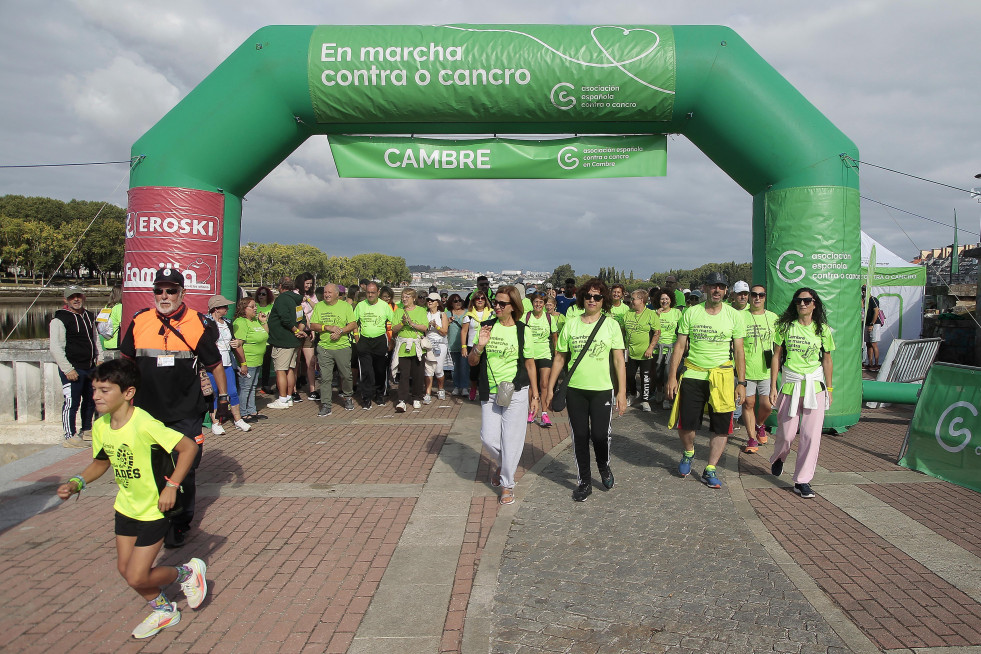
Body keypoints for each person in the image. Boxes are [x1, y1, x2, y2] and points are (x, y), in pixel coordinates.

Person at [55, 358, 208, 639]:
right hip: (126, 507)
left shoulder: (144, 423)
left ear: (128, 393)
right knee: (125, 570)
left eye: (104, 390)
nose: (96, 396)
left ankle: (187, 573)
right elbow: (101, 462)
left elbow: (187, 449)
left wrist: (172, 486)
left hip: (154, 509)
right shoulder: (101, 425)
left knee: (138, 575)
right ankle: (164, 610)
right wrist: (77, 482)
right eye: (95, 389)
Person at [120, 267, 230, 549]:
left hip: (185, 412)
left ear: (183, 293)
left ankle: (179, 522)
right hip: (147, 412)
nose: (164, 296)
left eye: (171, 290)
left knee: (186, 469)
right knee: (151, 469)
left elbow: (215, 365)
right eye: (159, 290)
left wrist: (224, 399)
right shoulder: (140, 320)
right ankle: (154, 519)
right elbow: (126, 362)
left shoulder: (198, 323)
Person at [545, 278, 627, 502]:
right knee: (580, 436)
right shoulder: (571, 323)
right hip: (575, 390)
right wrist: (550, 388)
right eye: (588, 296)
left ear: (604, 300)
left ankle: (604, 466)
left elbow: (619, 360)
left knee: (600, 435)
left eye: (597, 297)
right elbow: (560, 357)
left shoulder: (611, 325)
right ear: (582, 298)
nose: (592, 300)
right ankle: (584, 481)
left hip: (602, 389)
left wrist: (621, 392)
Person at [665, 272, 746, 490]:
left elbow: (739, 351)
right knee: (686, 424)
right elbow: (680, 347)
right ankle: (689, 452)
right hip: (693, 373)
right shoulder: (692, 313)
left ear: (726, 290)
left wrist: (742, 382)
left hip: (723, 376)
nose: (717, 290)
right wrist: (672, 377)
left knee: (721, 427)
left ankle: (710, 468)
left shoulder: (734, 315)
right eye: (713, 286)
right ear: (705, 288)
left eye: (721, 286)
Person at [470, 286, 538, 505]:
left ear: (513, 307)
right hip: (490, 391)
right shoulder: (485, 327)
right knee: (487, 437)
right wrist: (479, 347)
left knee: (512, 440)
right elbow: (472, 361)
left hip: (516, 391)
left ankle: (507, 484)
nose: (497, 306)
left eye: (502, 304)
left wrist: (535, 395)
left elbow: (530, 363)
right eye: (495, 302)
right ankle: (503, 462)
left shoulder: (522, 330)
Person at [769, 288, 835, 499]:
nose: (802, 304)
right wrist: (772, 386)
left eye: (807, 301)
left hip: (815, 387)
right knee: (787, 434)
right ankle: (779, 456)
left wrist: (829, 389)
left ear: (815, 304)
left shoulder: (822, 330)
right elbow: (776, 356)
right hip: (791, 385)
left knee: (810, 436)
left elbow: (827, 359)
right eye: (798, 301)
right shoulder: (785, 327)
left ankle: (802, 480)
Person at [50, 284, 99, 448]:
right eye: (72, 297)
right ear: (66, 299)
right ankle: (69, 435)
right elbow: (55, 347)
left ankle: (86, 429)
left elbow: (95, 338)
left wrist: (99, 357)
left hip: (89, 366)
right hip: (72, 367)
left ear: (83, 297)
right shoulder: (59, 319)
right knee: (71, 402)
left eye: (78, 296)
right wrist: (67, 368)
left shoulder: (89, 316)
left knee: (91, 399)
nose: (76, 299)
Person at [205, 295, 251, 434]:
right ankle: (215, 422)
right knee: (215, 392)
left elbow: (235, 343)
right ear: (216, 309)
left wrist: (242, 361)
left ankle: (238, 420)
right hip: (212, 363)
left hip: (228, 362)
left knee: (232, 392)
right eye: (224, 306)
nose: (227, 309)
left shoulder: (228, 322)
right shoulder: (206, 322)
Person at [310, 283, 357, 416]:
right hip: (324, 347)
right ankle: (326, 404)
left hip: (342, 347)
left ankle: (347, 397)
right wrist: (327, 327)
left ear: (337, 294)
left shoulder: (345, 306)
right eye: (325, 292)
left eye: (330, 292)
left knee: (346, 375)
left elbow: (353, 324)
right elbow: (313, 325)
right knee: (325, 377)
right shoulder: (319, 306)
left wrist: (341, 331)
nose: (327, 295)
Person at [741, 284, 778, 453]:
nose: (757, 298)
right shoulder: (741, 316)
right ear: (749, 296)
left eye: (761, 295)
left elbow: (779, 345)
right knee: (749, 403)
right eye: (754, 295)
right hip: (746, 369)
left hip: (766, 369)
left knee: (767, 405)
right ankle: (751, 438)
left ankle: (759, 425)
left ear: (765, 297)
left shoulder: (773, 318)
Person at [264, 277, 307, 409]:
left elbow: (285, 319)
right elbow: (302, 319)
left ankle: (282, 399)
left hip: (282, 340)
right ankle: (288, 397)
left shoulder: (282, 299)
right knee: (290, 369)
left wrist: (295, 331)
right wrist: (299, 331)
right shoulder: (297, 299)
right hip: (294, 342)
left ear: (281, 286)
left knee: (280, 370)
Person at [354, 281, 395, 409]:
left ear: (378, 293)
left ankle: (379, 394)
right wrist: (356, 337)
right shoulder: (360, 305)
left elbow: (394, 323)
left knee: (380, 370)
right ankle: (366, 397)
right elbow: (354, 323)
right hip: (364, 341)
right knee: (366, 371)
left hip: (380, 340)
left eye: (373, 292)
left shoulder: (384, 306)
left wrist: (392, 339)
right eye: (368, 292)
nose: (370, 295)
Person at [232, 296, 268, 423]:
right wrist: (243, 363)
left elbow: (265, 334)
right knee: (245, 387)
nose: (255, 308)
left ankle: (252, 410)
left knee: (253, 386)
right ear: (244, 308)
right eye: (252, 306)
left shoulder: (255, 321)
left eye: (255, 306)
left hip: (258, 360)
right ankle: (243, 413)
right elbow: (239, 345)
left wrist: (263, 321)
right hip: (248, 361)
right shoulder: (241, 322)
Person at [623, 289, 660, 412]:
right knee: (629, 375)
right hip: (630, 352)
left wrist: (650, 348)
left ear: (642, 300)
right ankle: (633, 393)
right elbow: (623, 330)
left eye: (634, 299)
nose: (631, 301)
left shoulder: (651, 314)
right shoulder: (628, 313)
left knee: (645, 377)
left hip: (645, 353)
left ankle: (645, 400)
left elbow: (656, 332)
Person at [524, 291, 558, 426]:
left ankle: (544, 413)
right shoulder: (526, 317)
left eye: (541, 302)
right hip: (529, 354)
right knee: (532, 385)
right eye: (536, 302)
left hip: (544, 353)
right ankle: (532, 411)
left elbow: (555, 337)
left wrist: (556, 354)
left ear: (544, 304)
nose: (538, 304)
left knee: (544, 384)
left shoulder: (549, 318)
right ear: (532, 303)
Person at [392, 288, 428, 412]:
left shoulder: (421, 310)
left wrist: (412, 324)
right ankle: (402, 400)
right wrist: (402, 323)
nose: (404, 299)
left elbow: (424, 327)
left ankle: (417, 397)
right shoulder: (399, 311)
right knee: (404, 375)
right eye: (403, 296)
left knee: (418, 374)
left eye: (407, 296)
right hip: (403, 347)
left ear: (414, 298)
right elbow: (394, 329)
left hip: (416, 346)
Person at [653, 290, 682, 409]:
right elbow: (650, 328)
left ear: (671, 300)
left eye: (667, 299)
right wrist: (656, 316)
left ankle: (667, 398)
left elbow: (682, 329)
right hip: (657, 348)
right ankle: (659, 390)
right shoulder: (654, 313)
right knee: (658, 374)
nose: (664, 301)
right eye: (662, 299)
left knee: (668, 373)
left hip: (672, 347)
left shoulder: (676, 313)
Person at [461, 291, 492, 401]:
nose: (480, 300)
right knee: (474, 371)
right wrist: (464, 346)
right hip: (472, 345)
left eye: (482, 298)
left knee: (486, 370)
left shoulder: (491, 314)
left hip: (488, 345)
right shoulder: (468, 315)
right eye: (477, 298)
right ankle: (473, 388)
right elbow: (464, 331)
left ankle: (486, 390)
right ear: (473, 301)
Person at [296, 272, 319, 402]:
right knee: (296, 362)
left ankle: (312, 389)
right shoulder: (294, 294)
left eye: (310, 284)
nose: (309, 286)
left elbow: (317, 308)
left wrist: (308, 299)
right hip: (298, 331)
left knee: (311, 362)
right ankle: (293, 390)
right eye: (306, 284)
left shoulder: (312, 295)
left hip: (309, 331)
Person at [423, 292, 450, 402]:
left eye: (432, 300)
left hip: (440, 344)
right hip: (428, 343)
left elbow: (444, 331)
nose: (429, 301)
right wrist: (428, 326)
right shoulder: (425, 314)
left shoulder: (442, 314)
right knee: (428, 370)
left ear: (437, 303)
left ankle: (441, 389)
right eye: (428, 299)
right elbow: (422, 330)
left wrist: (436, 326)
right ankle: (427, 392)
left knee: (438, 369)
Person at [445, 293, 468, 396]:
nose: (458, 303)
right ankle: (456, 386)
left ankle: (464, 387)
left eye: (459, 300)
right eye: (455, 301)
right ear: (451, 303)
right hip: (452, 344)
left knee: (464, 367)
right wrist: (448, 322)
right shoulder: (448, 314)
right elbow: (443, 329)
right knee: (454, 368)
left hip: (464, 345)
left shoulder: (467, 313)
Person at [254, 285, 275, 392]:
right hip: (255, 338)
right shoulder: (254, 306)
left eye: (263, 294)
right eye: (259, 294)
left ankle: (265, 385)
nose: (261, 296)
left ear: (268, 296)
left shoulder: (271, 307)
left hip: (267, 338)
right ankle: (254, 385)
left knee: (266, 363)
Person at [96, 285, 123, 362]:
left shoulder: (107, 307)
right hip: (116, 343)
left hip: (107, 342)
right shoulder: (119, 307)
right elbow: (123, 325)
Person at [863, 285, 882, 371]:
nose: (863, 292)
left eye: (864, 291)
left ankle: (876, 364)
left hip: (874, 324)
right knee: (868, 343)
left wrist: (872, 323)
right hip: (867, 323)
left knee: (874, 343)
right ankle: (870, 363)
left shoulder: (873, 299)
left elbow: (876, 311)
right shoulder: (865, 301)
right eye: (862, 291)